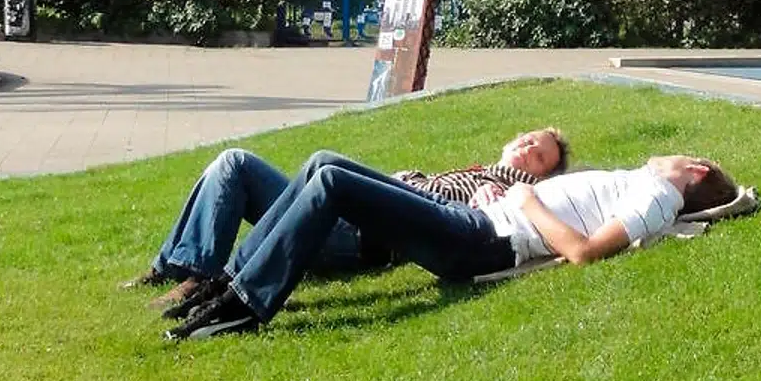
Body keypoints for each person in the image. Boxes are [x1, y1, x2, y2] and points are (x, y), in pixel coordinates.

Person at [166, 150, 739, 342]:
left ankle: (244, 306)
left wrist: (525, 201)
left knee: (333, 186)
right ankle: (228, 283)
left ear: (693, 168)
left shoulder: (659, 193)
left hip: (485, 240)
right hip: (472, 217)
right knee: (324, 162)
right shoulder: (644, 184)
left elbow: (586, 252)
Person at [129, 126, 569, 304]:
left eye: (539, 156)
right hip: (338, 207)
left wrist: (507, 190)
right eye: (529, 140)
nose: (528, 150)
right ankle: (176, 266)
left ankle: (201, 280)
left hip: (358, 234)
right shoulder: (471, 169)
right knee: (234, 163)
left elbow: (505, 216)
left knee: (319, 164)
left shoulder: (510, 188)